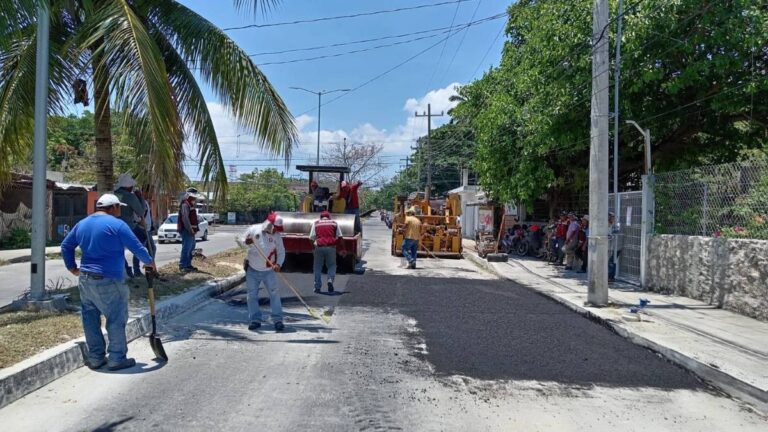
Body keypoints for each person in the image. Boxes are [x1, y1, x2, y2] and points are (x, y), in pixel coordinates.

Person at [61, 193, 156, 371]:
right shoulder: (117, 225)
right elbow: (137, 248)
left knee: (90, 319)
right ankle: (116, 358)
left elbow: (66, 245)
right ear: (112, 207)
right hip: (109, 279)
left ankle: (96, 358)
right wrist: (150, 263)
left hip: (86, 280)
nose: (119, 210)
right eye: (118, 207)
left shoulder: (82, 223)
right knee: (116, 318)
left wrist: (72, 268)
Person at [242, 215, 286, 331]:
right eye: (275, 228)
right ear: (269, 225)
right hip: (252, 269)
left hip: (269, 271)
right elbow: (240, 241)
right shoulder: (253, 230)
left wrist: (279, 264)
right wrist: (246, 242)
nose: (276, 231)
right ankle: (255, 320)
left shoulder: (276, 236)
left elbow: (281, 252)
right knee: (252, 296)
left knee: (274, 294)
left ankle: (278, 320)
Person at [113, 173, 146, 277]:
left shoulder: (113, 194)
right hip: (127, 226)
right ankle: (135, 268)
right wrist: (140, 198)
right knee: (141, 242)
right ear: (128, 186)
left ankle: (127, 269)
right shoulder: (130, 196)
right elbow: (141, 212)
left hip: (112, 226)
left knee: (117, 250)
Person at [309, 210, 343, 293]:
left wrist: (313, 248)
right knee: (332, 265)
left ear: (321, 217)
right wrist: (342, 248)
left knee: (317, 267)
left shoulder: (316, 223)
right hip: (331, 247)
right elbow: (340, 237)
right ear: (329, 217)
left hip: (319, 247)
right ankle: (330, 280)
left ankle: (317, 287)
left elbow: (310, 238)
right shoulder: (334, 223)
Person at [178, 188, 200, 272]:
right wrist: (190, 229)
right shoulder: (185, 204)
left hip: (191, 231)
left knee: (191, 248)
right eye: (193, 196)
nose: (194, 198)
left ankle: (188, 264)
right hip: (187, 230)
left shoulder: (190, 204)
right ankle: (183, 265)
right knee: (186, 248)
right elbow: (185, 218)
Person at [608, 212, 623, 281]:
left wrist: (610, 236)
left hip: (617, 246)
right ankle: (610, 276)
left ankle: (611, 277)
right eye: (609, 217)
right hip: (610, 247)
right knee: (610, 261)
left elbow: (617, 234)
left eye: (611, 217)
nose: (610, 218)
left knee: (612, 261)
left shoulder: (617, 225)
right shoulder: (608, 224)